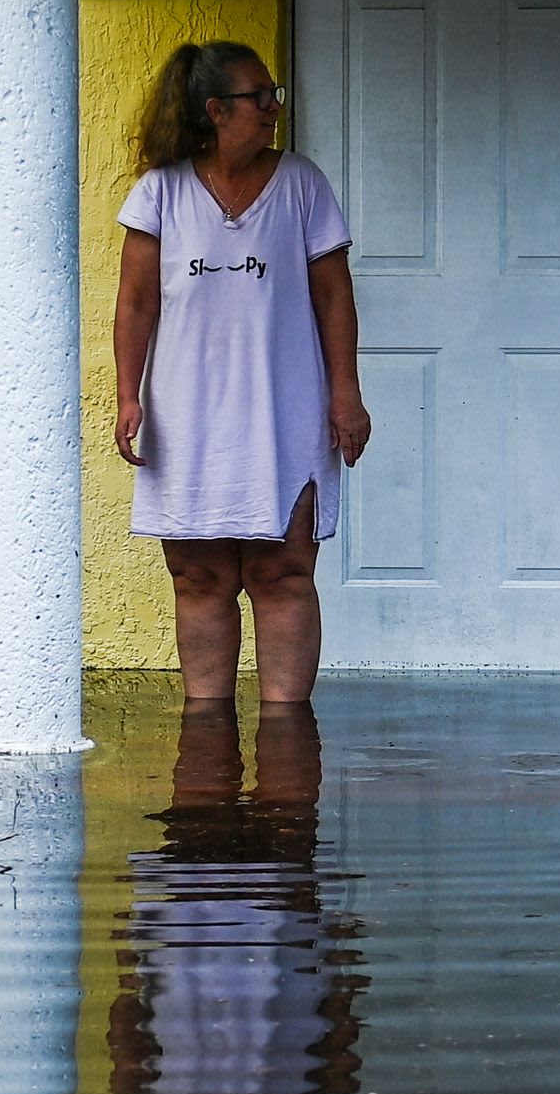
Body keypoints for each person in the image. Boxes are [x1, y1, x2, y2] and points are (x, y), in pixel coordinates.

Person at [113, 41, 369, 703]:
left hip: (286, 409)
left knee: (282, 571)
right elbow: (135, 302)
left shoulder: (302, 185)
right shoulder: (160, 193)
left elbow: (334, 295)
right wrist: (126, 396)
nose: (274, 109)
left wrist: (347, 394)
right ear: (217, 110)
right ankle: (207, 754)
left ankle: (288, 754)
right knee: (199, 578)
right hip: (186, 413)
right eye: (262, 98)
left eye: (273, 95)